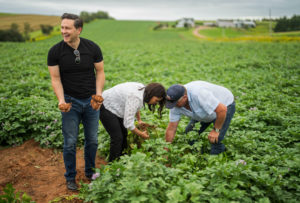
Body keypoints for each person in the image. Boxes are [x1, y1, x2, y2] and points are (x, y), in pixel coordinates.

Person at [47, 13, 105, 191]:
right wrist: (61, 100)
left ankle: (90, 172)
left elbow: (100, 72)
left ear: (78, 30)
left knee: (93, 140)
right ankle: (70, 177)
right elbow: (55, 78)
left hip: (90, 102)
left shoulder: (92, 48)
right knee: (70, 142)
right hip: (70, 103)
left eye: (67, 28)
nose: (63, 31)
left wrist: (98, 95)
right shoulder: (55, 51)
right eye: (62, 27)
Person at [100, 82, 166, 162]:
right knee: (117, 137)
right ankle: (112, 164)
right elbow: (128, 124)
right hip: (105, 104)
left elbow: (135, 107)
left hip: (116, 105)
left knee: (124, 134)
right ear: (151, 94)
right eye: (156, 100)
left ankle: (121, 159)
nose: (156, 103)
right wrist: (141, 134)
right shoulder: (135, 97)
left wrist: (139, 120)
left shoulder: (144, 91)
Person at [165, 81, 235, 155]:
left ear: (184, 98)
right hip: (203, 112)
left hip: (224, 106)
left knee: (216, 140)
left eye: (176, 103)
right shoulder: (174, 103)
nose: (174, 106)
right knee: (189, 134)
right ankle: (197, 155)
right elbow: (171, 129)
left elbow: (222, 110)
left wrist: (216, 130)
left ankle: (216, 159)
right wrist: (165, 150)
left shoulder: (199, 94)